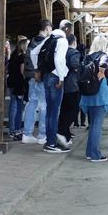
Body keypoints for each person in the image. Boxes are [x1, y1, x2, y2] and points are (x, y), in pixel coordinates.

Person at [33, 19, 70, 153]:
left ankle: (49, 141)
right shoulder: (63, 41)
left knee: (50, 111)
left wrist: (37, 69)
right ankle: (52, 144)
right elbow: (59, 59)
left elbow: (33, 53)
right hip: (55, 78)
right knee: (54, 112)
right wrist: (61, 77)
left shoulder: (48, 39)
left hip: (46, 76)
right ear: (67, 30)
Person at [79, 53, 108, 162]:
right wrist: (101, 73)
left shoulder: (88, 57)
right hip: (99, 96)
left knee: (92, 126)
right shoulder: (103, 56)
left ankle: (89, 153)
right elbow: (103, 64)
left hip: (88, 95)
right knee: (96, 126)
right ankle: (95, 154)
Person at [21, 21, 50, 144]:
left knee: (31, 104)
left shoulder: (31, 42)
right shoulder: (44, 42)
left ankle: (27, 134)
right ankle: (42, 135)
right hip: (40, 77)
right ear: (47, 28)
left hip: (30, 77)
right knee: (43, 106)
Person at [57, 34, 82, 149]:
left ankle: (65, 135)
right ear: (74, 42)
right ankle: (62, 131)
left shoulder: (62, 51)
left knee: (64, 110)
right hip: (72, 85)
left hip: (62, 84)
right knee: (73, 110)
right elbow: (75, 65)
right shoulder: (74, 52)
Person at [7, 37, 29, 140]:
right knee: (19, 108)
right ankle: (17, 129)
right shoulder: (22, 57)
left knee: (13, 106)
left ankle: (11, 130)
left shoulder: (13, 55)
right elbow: (22, 72)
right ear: (24, 46)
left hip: (11, 83)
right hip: (18, 84)